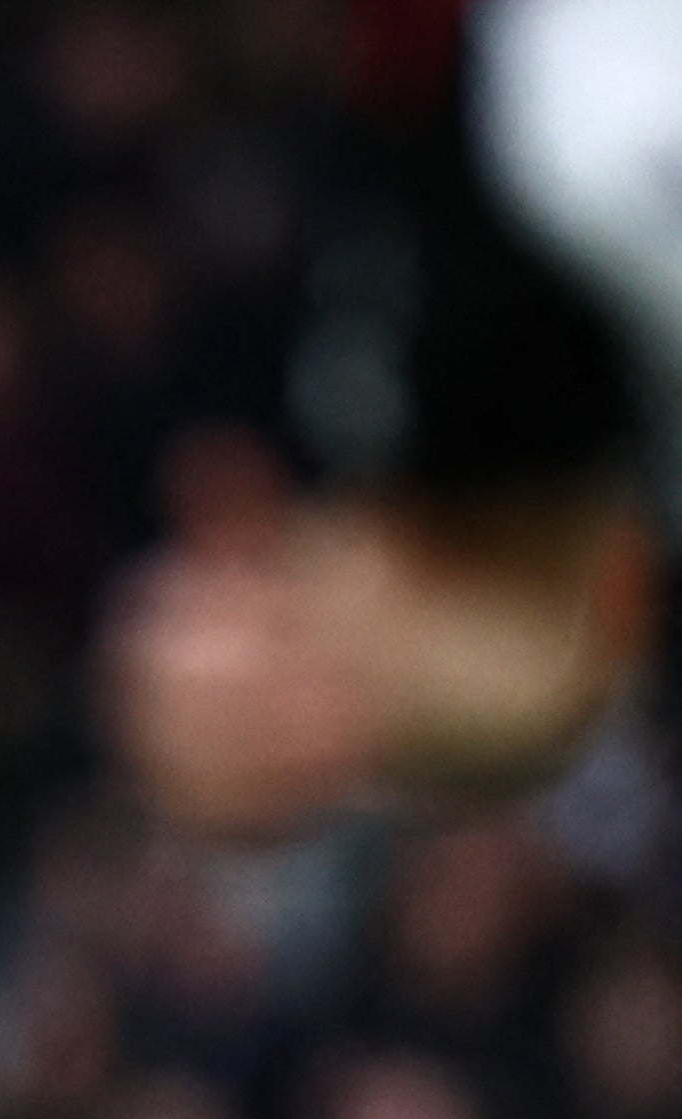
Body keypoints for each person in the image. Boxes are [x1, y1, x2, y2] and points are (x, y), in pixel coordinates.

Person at [108, 0, 675, 831]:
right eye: (251, 664)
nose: (228, 572)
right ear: (313, 744)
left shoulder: (348, 413)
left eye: (191, 591)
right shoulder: (504, 654)